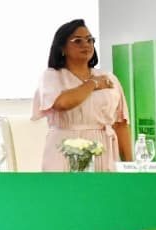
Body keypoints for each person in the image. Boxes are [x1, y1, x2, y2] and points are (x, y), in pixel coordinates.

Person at [32, 19, 131, 171]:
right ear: (62, 48)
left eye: (90, 40)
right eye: (78, 41)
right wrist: (93, 84)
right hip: (64, 151)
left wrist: (131, 166)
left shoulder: (109, 78)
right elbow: (62, 103)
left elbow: (120, 124)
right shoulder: (52, 76)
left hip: (103, 150)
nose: (86, 45)